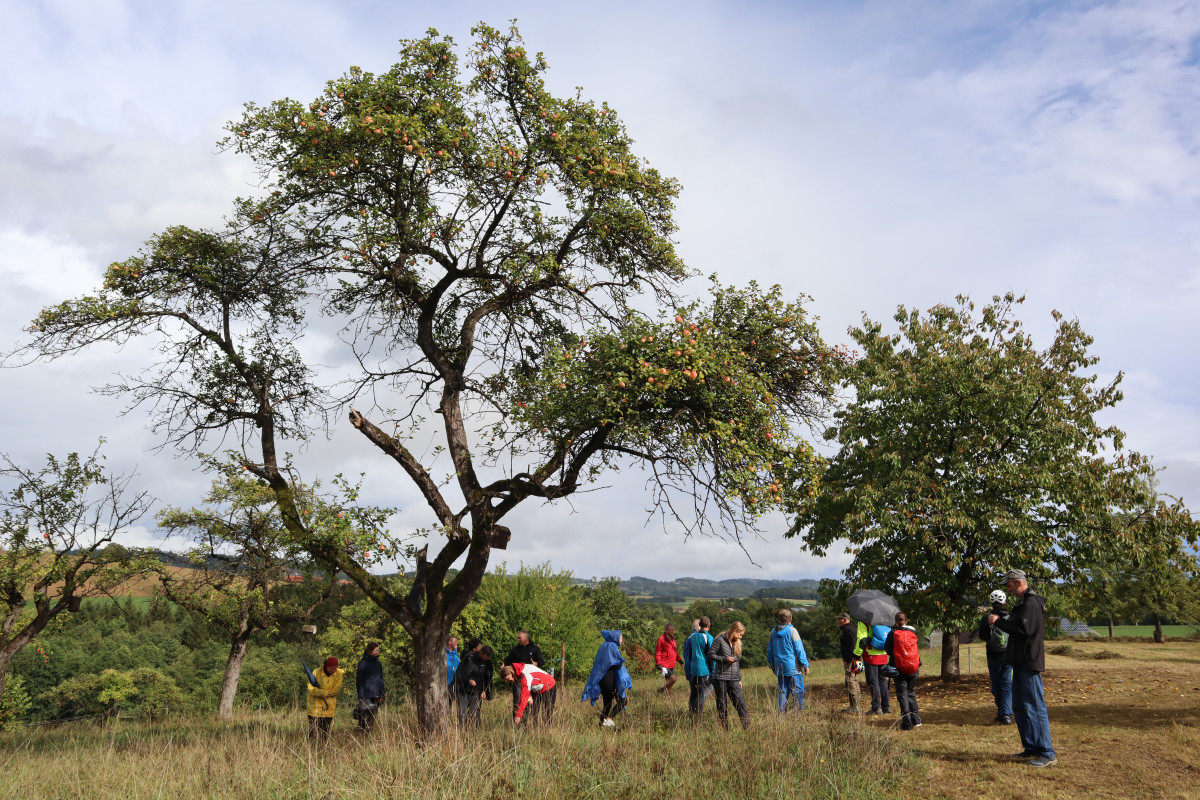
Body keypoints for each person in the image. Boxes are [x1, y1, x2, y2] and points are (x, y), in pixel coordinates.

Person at [989, 569, 1057, 768]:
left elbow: (1024, 630)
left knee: (1035, 706)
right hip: (1018, 661)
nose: (1008, 590)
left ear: (1018, 583)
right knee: (1019, 706)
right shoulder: (1022, 603)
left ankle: (1047, 752)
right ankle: (1031, 747)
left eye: (1009, 585)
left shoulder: (1031, 603)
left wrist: (999, 622)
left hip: (1029, 662)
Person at [582, 630, 632, 727]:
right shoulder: (612, 646)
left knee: (607, 703)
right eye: (621, 638)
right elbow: (617, 666)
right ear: (616, 638)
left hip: (601, 680)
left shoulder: (603, 646)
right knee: (623, 701)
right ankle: (609, 720)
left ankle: (601, 725)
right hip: (609, 680)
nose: (621, 640)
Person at [979, 589, 1014, 725]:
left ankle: (1003, 712)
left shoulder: (986, 618)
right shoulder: (1010, 618)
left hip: (993, 656)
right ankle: (1005, 714)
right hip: (1009, 657)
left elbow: (983, 636)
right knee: (1007, 685)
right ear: (1005, 602)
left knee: (996, 686)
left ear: (991, 603)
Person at [708, 621, 750, 729]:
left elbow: (737, 663)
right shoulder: (719, 640)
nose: (741, 637)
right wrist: (725, 659)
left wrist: (739, 678)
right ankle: (724, 729)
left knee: (740, 703)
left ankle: (747, 728)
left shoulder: (737, 643)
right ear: (735, 631)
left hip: (734, 679)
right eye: (740, 635)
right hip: (720, 678)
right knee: (722, 705)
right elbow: (711, 655)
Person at [884, 612, 922, 730]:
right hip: (912, 666)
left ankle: (907, 723)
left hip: (898, 667)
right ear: (906, 621)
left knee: (902, 695)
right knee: (911, 693)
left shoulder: (893, 634)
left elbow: (887, 649)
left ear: (896, 621)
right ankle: (916, 720)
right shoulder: (913, 633)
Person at [767, 609, 809, 713]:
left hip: (779, 666)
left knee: (782, 691)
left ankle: (781, 713)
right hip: (793, 667)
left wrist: (771, 664)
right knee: (798, 690)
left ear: (779, 619)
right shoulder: (792, 631)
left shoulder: (773, 632)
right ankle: (798, 712)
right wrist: (805, 664)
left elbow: (769, 650)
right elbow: (799, 649)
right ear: (790, 619)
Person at [501, 661, 556, 726]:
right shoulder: (517, 672)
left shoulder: (525, 674)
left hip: (549, 685)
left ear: (510, 673)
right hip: (536, 688)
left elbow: (524, 697)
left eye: (507, 679)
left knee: (547, 712)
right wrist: (530, 695)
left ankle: (547, 731)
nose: (508, 681)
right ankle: (534, 730)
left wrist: (518, 715)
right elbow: (526, 687)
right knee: (533, 712)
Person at [453, 642, 494, 728]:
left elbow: (487, 678)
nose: (486, 659)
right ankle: (462, 730)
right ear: (481, 653)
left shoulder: (487, 663)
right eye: (485, 657)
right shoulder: (469, 659)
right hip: (464, 690)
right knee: (462, 712)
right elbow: (460, 674)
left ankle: (473, 732)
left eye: (488, 658)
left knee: (474, 713)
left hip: (477, 691)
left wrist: (485, 691)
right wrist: (468, 680)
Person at [683, 616, 715, 718]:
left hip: (693, 669)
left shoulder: (692, 637)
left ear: (700, 625)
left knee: (693, 693)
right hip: (704, 670)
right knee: (701, 694)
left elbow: (690, 654)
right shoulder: (709, 637)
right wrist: (713, 672)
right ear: (709, 625)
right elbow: (711, 656)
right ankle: (698, 716)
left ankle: (691, 713)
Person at [306, 655, 344, 740]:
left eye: (335, 668)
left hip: (329, 708)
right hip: (314, 708)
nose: (333, 670)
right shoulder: (316, 672)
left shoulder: (338, 674)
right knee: (313, 730)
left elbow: (336, 689)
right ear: (326, 666)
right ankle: (309, 748)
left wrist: (329, 693)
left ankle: (324, 748)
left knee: (325, 731)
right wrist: (323, 693)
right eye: (331, 668)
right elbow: (311, 688)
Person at [861, 618, 892, 716]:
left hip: (871, 655)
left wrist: (856, 655)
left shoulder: (864, 621)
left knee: (873, 681)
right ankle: (886, 706)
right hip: (883, 654)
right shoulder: (885, 621)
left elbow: (861, 640)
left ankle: (876, 707)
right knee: (882, 681)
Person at [353, 642, 384, 733]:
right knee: (363, 718)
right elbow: (359, 681)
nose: (378, 652)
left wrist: (382, 693)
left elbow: (380, 679)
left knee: (372, 718)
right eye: (376, 650)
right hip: (366, 695)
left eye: (378, 650)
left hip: (376, 695)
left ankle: (367, 736)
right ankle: (359, 735)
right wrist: (361, 696)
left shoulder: (378, 663)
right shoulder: (363, 663)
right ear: (370, 651)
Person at [837, 613, 863, 713]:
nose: (838, 621)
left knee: (850, 681)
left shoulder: (847, 630)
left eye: (840, 619)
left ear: (845, 620)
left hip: (850, 660)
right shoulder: (854, 628)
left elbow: (852, 645)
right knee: (854, 680)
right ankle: (856, 704)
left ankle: (854, 706)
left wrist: (850, 659)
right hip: (855, 659)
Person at [655, 624, 680, 696]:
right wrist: (659, 663)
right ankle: (661, 689)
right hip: (665, 664)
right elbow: (658, 652)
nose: (673, 631)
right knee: (673, 679)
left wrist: (680, 660)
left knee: (670, 683)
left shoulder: (673, 639)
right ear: (666, 630)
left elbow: (675, 652)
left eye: (673, 629)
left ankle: (668, 698)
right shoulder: (661, 639)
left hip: (671, 664)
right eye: (671, 630)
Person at [445, 636, 460, 706]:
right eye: (455, 641)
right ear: (449, 642)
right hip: (447, 681)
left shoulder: (455, 653)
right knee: (448, 701)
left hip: (456, 681)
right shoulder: (443, 653)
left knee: (455, 699)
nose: (457, 643)